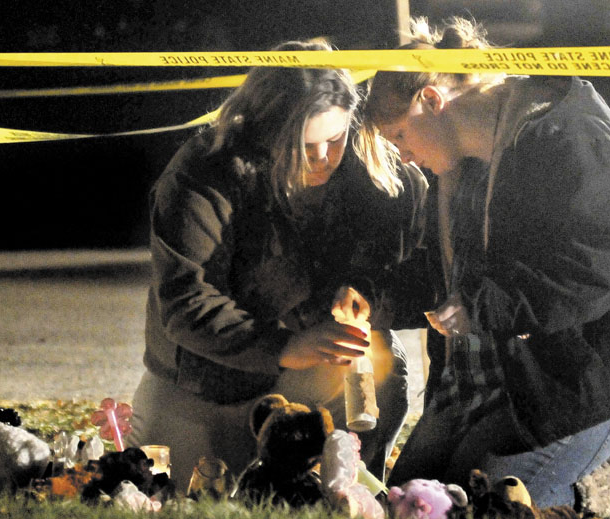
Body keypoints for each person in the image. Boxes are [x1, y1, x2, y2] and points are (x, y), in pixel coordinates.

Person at [359, 17, 610, 509]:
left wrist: (486, 309)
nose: (404, 157)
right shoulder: (461, 168)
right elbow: (442, 279)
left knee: (485, 509)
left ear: (431, 100)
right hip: (487, 384)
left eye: (399, 136)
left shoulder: (566, 137)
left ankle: (604, 477)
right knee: (408, 501)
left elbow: (599, 266)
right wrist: (374, 301)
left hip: (578, 382)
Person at [126, 39, 428, 492]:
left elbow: (398, 266)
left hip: (301, 376)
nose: (325, 158)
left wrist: (363, 290)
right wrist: (282, 346)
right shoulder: (203, 174)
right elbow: (186, 303)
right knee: (170, 492)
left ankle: (338, 481)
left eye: (336, 139)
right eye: (304, 146)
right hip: (203, 378)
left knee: (381, 362)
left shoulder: (365, 168)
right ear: (263, 132)